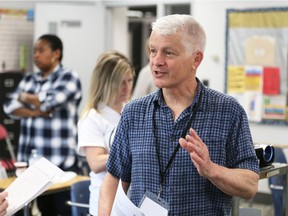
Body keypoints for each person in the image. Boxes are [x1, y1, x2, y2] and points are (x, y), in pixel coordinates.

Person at [99, 14, 260, 215]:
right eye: (152, 51)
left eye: (168, 53)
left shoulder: (228, 111)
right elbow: (113, 179)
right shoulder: (134, 112)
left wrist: (211, 170)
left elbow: (250, 185)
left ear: (196, 59)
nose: (156, 61)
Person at [3, 34, 82, 216]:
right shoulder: (30, 80)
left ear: (56, 53)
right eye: (34, 51)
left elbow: (51, 102)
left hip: (60, 165)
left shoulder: (69, 77)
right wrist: (35, 111)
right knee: (37, 211)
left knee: (61, 211)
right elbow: (9, 106)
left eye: (41, 50)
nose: (36, 55)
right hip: (30, 168)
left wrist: (25, 98)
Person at [77, 50, 135, 216]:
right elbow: (95, 162)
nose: (127, 87)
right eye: (121, 82)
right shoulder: (92, 118)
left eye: (129, 80)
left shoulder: (131, 111)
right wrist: (133, 153)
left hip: (130, 199)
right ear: (106, 83)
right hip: (105, 204)